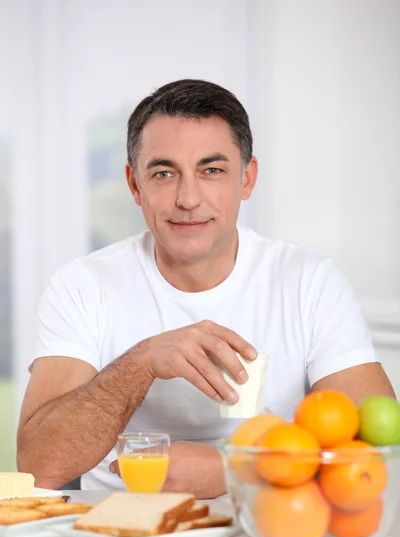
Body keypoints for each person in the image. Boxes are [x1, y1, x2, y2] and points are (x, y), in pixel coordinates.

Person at [17, 79, 395, 497]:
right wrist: (142, 362)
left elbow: (376, 452)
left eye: (211, 170)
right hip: (116, 534)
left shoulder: (310, 282)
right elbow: (39, 467)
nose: (188, 198)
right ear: (134, 185)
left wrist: (234, 472)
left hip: (270, 526)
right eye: (164, 173)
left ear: (247, 178)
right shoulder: (82, 285)